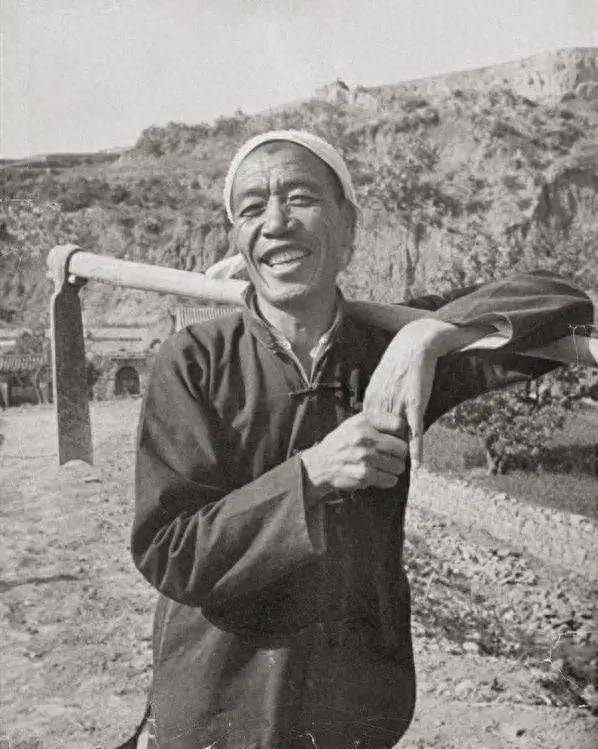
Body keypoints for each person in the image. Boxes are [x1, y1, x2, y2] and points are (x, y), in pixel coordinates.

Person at [131, 130, 592, 749]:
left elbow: (563, 300)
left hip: (354, 705)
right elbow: (170, 551)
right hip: (222, 704)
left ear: (348, 228)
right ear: (238, 240)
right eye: (252, 208)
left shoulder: (396, 355)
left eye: (299, 198)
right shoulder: (194, 362)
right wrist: (311, 475)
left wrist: (431, 335)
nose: (275, 222)